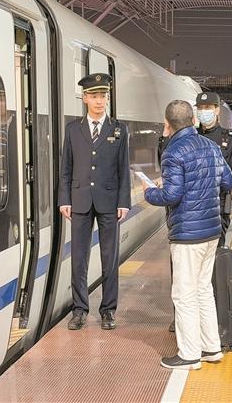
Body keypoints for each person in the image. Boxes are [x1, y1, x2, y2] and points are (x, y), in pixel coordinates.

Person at [143, 99, 232, 370]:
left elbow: (171, 195)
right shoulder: (211, 146)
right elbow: (228, 180)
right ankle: (211, 347)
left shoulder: (173, 152)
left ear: (167, 124)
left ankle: (189, 354)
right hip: (211, 230)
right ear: (193, 120)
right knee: (203, 290)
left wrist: (150, 192)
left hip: (187, 233)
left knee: (184, 294)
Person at [59, 73, 131, 331]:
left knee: (109, 258)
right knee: (78, 258)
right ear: (85, 99)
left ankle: (108, 310)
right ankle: (79, 310)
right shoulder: (72, 129)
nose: (100, 101)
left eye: (103, 96)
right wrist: (64, 199)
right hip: (79, 201)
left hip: (110, 202)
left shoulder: (119, 129)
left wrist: (124, 201)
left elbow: (124, 169)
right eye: (95, 96)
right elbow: (66, 168)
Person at [196, 92, 232, 246]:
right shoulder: (191, 137)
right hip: (192, 207)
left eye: (207, 107)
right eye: (200, 108)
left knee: (216, 249)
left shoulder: (231, 140)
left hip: (218, 205)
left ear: (217, 110)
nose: (203, 111)